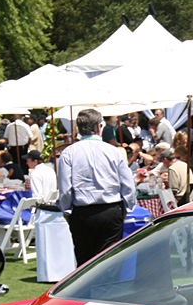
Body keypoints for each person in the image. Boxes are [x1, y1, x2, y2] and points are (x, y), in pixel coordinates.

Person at [57, 108, 136, 266]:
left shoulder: (68, 153)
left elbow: (65, 190)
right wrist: (127, 208)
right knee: (110, 263)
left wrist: (66, 211)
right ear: (99, 127)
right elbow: (128, 185)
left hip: (83, 212)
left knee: (85, 264)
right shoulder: (113, 152)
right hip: (111, 210)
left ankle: (88, 291)